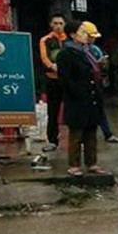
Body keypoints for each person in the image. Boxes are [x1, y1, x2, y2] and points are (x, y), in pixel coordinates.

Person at [56, 21, 107, 176]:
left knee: (91, 132)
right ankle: (74, 164)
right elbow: (65, 79)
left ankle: (92, 163)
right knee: (77, 134)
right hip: (77, 99)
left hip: (92, 96)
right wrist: (78, 93)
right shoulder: (66, 54)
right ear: (73, 35)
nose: (86, 35)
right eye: (82, 32)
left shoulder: (88, 51)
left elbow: (93, 72)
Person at [81, 21, 118, 144]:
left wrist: (102, 65)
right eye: (91, 37)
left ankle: (108, 134)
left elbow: (103, 65)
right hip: (84, 85)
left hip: (96, 83)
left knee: (100, 110)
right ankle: (83, 139)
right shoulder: (76, 50)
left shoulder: (95, 49)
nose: (92, 40)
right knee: (84, 113)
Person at [39, 13, 68, 152]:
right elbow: (44, 58)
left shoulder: (69, 40)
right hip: (52, 79)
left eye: (61, 23)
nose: (58, 26)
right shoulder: (45, 40)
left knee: (73, 110)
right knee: (53, 111)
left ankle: (76, 141)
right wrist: (53, 66)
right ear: (51, 24)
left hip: (69, 80)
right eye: (55, 23)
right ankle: (52, 141)